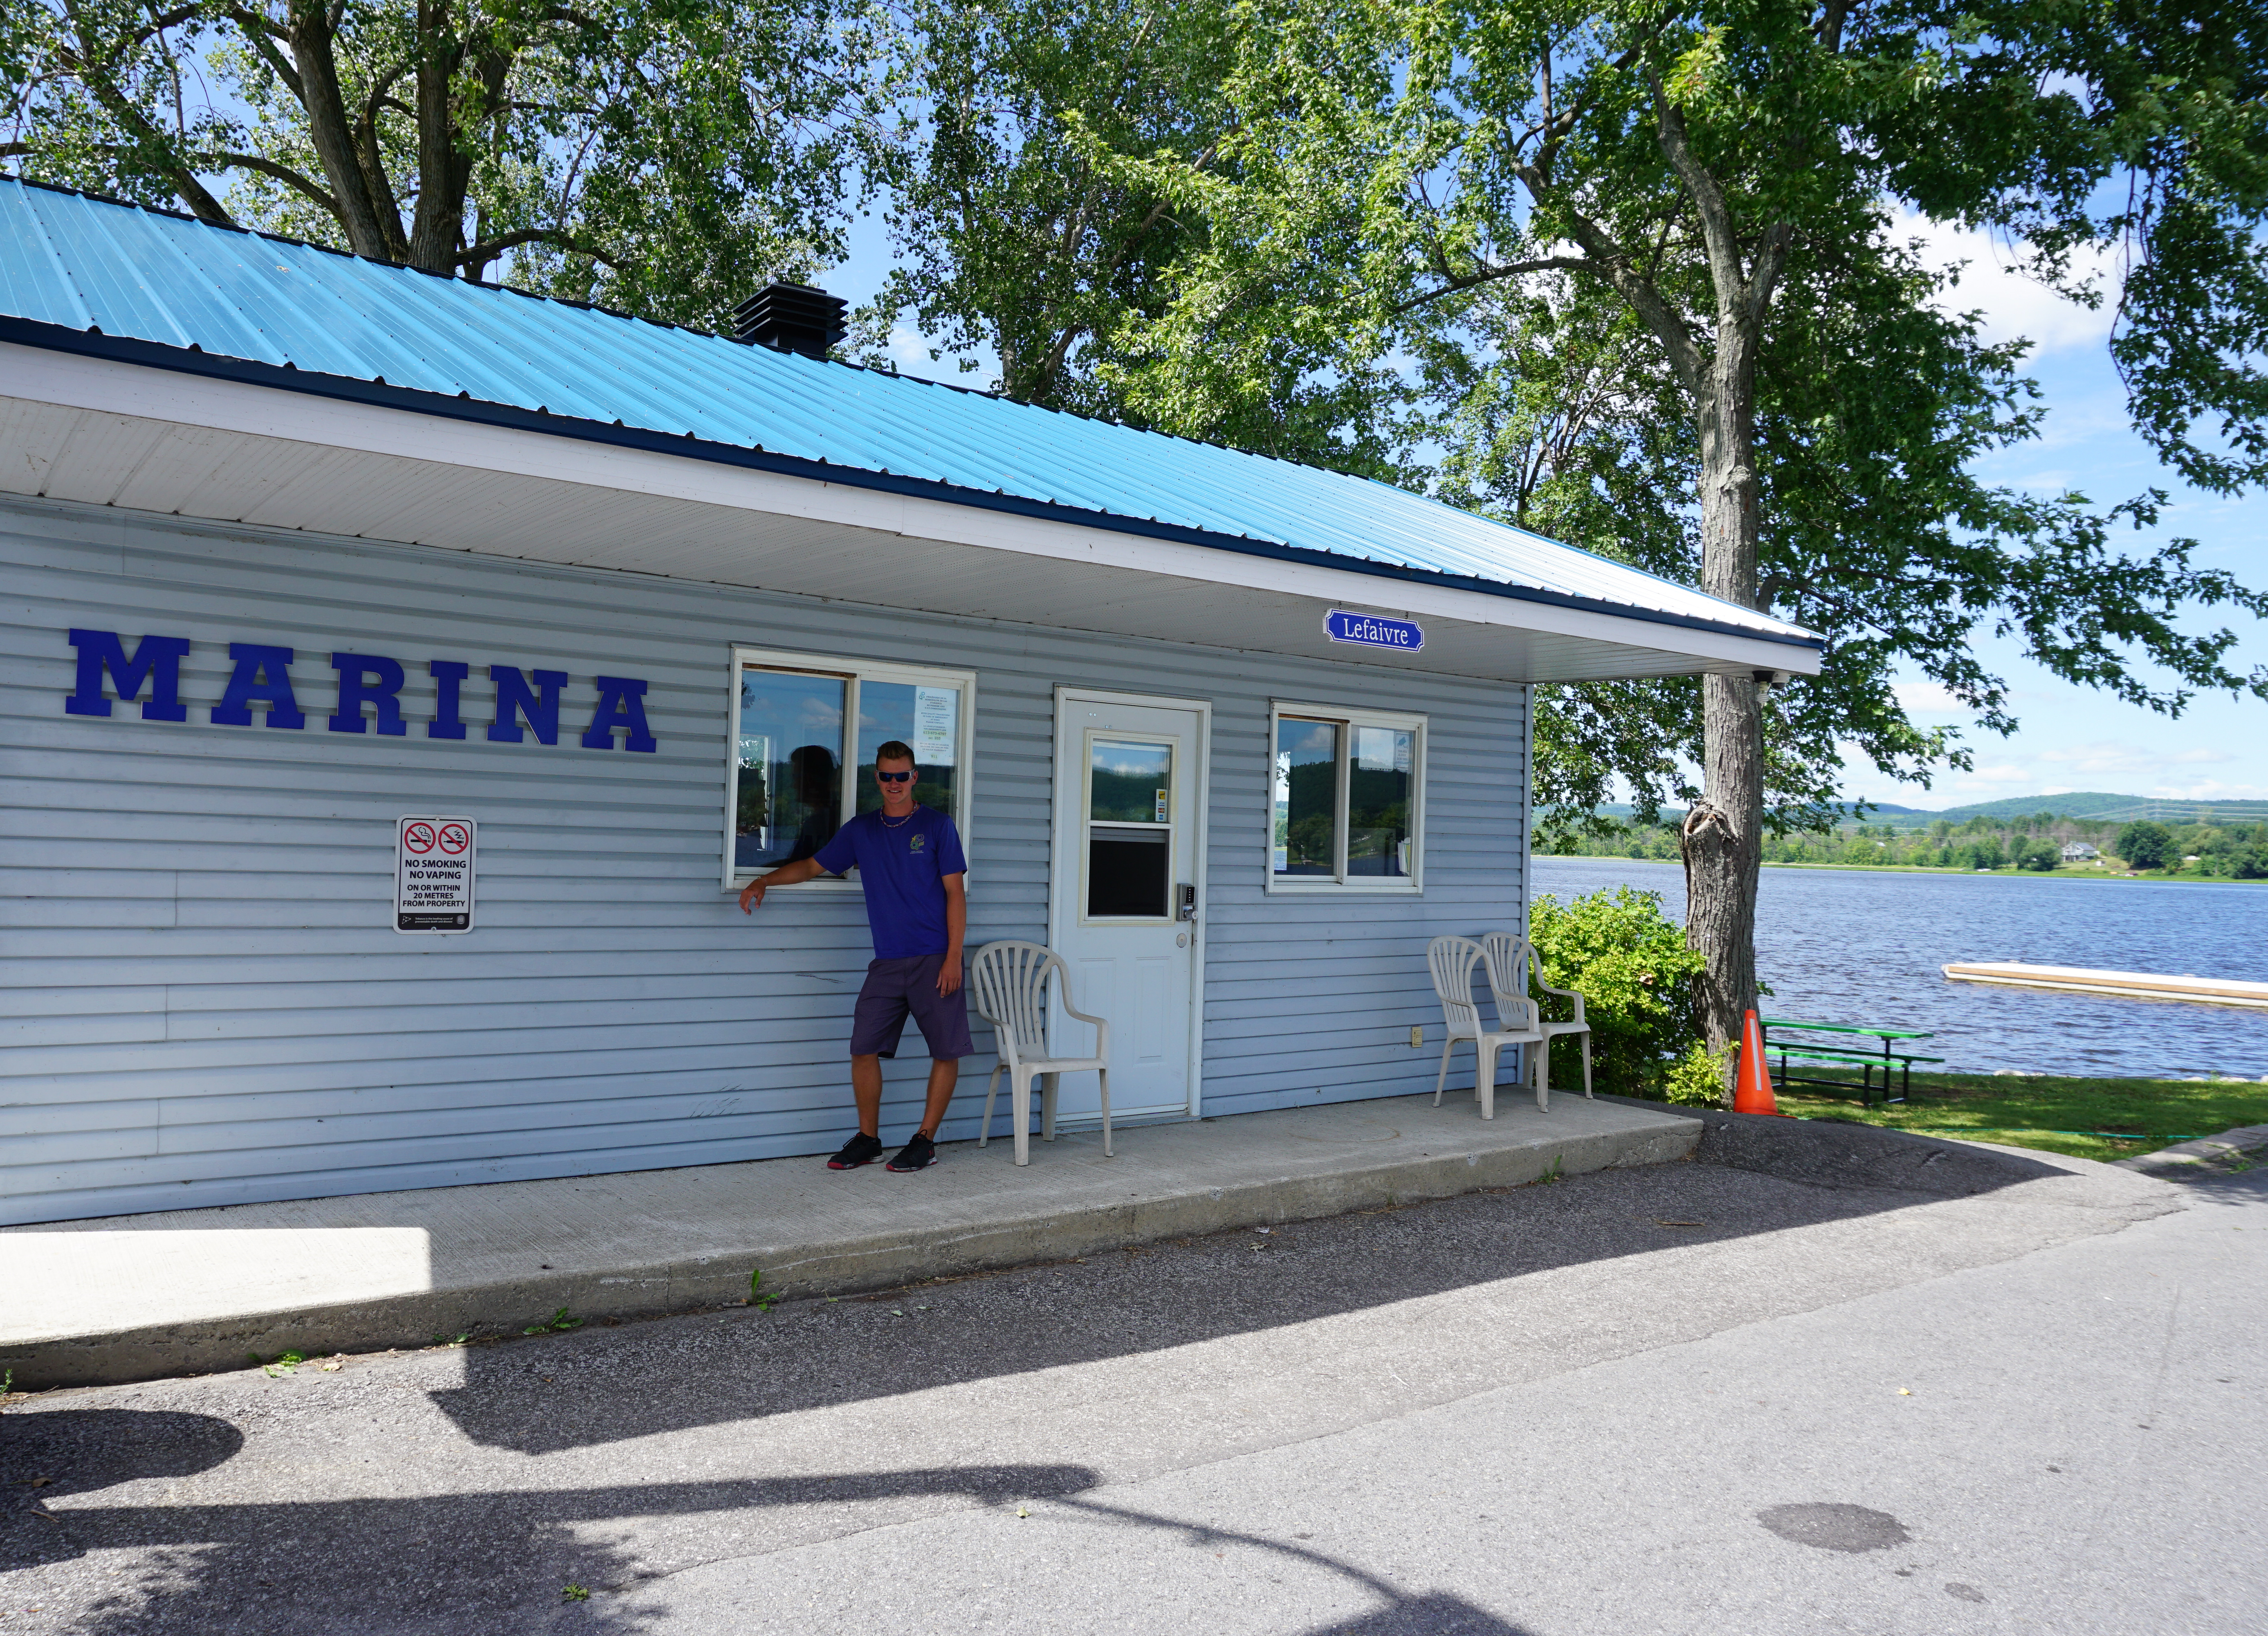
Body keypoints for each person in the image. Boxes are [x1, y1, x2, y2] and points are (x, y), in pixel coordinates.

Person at [739, 740, 970, 1172]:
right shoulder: (861, 829)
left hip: (935, 956)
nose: (894, 784)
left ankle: (925, 1141)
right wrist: (764, 880)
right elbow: (811, 866)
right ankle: (868, 1138)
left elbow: (955, 893)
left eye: (902, 776)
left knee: (945, 1050)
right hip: (887, 961)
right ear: (877, 778)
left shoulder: (938, 826)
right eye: (886, 776)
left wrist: (953, 956)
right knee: (863, 1047)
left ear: (914, 777)